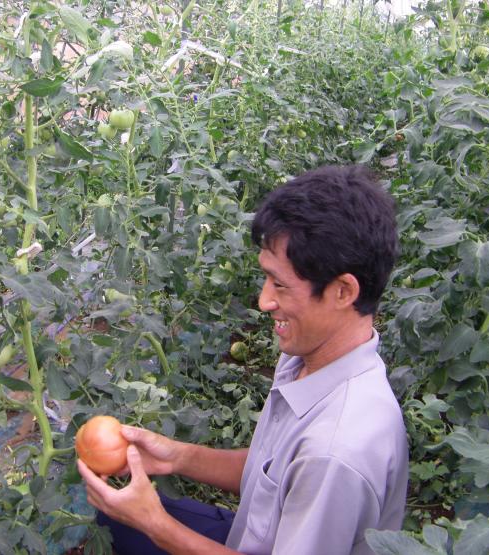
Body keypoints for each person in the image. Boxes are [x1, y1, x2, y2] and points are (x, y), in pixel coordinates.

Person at [77, 165, 409, 555]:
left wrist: (156, 523)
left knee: (136, 527)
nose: (265, 301)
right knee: (114, 521)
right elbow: (271, 474)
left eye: (280, 285)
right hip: (254, 534)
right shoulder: (310, 359)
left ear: (342, 291)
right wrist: (176, 457)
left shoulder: (335, 452)